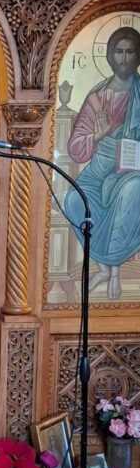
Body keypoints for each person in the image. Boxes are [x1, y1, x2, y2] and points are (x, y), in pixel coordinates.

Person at [64, 26, 140, 300]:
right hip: (100, 167)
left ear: (138, 56)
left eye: (130, 52)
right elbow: (75, 147)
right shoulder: (98, 96)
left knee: (131, 191)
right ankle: (104, 268)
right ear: (109, 56)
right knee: (74, 199)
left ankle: (115, 272)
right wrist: (98, 135)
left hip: (133, 168)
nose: (124, 58)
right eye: (119, 52)